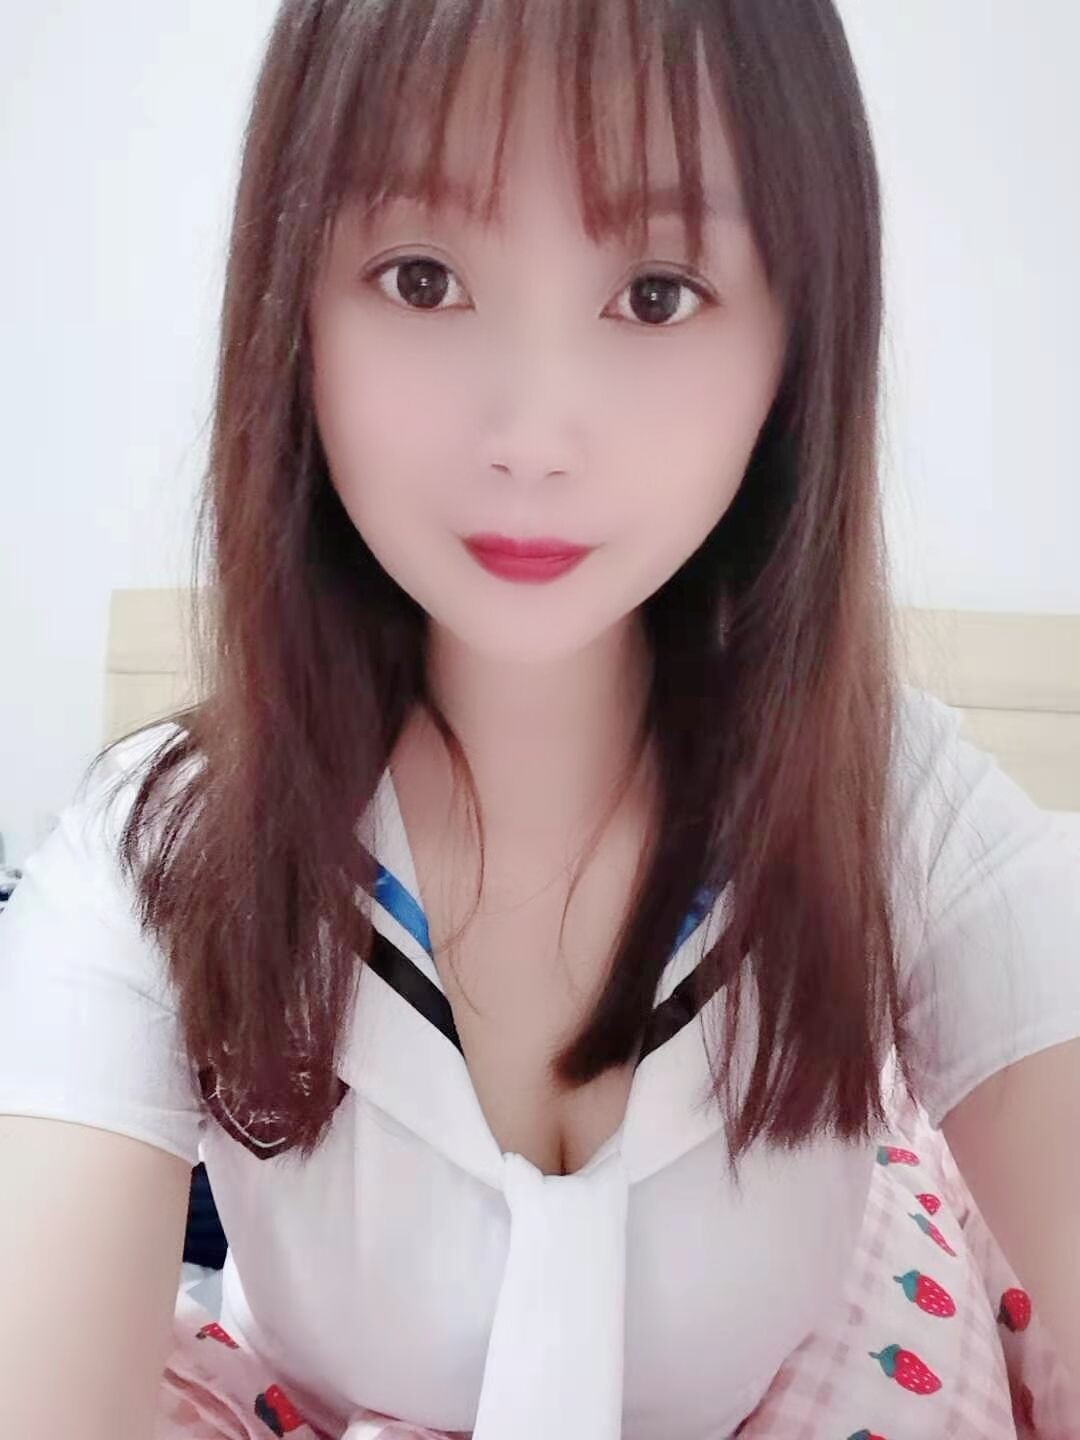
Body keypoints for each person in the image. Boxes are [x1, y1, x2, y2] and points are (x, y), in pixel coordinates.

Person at [2, 2, 1079, 1437]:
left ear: (797, 342)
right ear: (292, 308)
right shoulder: (154, 861)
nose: (530, 433)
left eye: (656, 294)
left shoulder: (895, 811)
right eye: (424, 277)